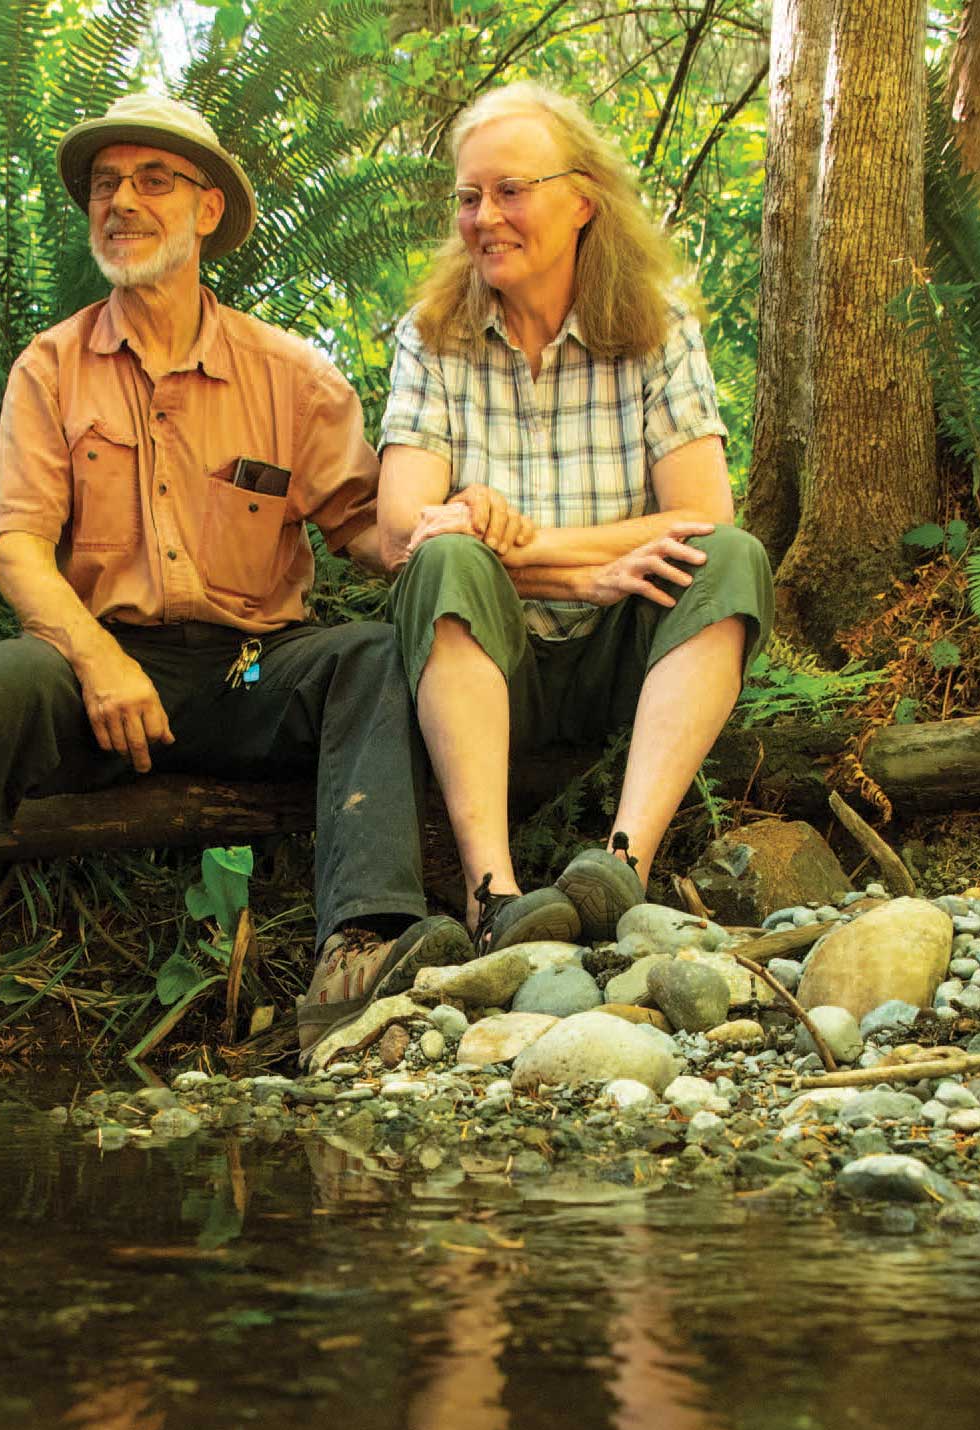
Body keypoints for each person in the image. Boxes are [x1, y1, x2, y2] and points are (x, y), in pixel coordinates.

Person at [0, 93, 468, 1065]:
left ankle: (357, 959)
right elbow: (18, 544)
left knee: (367, 657)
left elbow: (370, 526)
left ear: (205, 212)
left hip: (247, 675)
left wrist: (454, 539)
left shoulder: (293, 378)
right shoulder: (51, 368)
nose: (121, 200)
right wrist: (98, 659)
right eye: (106, 184)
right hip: (103, 681)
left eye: (153, 180)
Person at [377, 81, 773, 952]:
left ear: (582, 200)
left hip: (620, 654)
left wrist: (540, 546)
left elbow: (702, 516)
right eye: (470, 196)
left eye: (511, 190)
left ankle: (619, 866)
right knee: (444, 562)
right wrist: (548, 567)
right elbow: (402, 528)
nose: (486, 216)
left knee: (732, 560)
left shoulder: (655, 325)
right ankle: (493, 896)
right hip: (487, 650)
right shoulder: (431, 334)